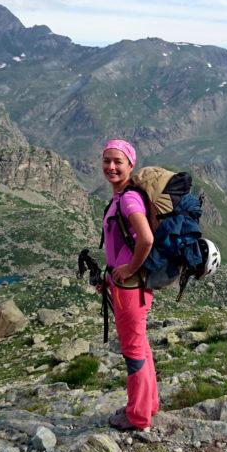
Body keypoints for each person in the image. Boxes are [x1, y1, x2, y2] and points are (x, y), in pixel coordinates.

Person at [101, 138, 160, 431]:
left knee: (133, 350)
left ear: (130, 165)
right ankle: (149, 404)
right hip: (126, 285)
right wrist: (112, 275)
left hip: (130, 288)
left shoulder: (128, 199)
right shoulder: (120, 198)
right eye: (107, 161)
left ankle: (137, 417)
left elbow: (146, 239)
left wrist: (129, 269)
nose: (111, 167)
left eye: (117, 162)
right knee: (142, 345)